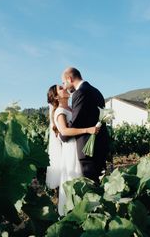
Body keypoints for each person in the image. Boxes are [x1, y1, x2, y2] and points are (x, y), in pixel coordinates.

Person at [46, 84, 99, 216]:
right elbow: (64, 131)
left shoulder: (70, 108)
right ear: (57, 96)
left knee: (82, 177)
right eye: (61, 88)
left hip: (78, 145)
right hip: (71, 149)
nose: (65, 88)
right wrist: (88, 130)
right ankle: (72, 212)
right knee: (75, 177)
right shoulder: (59, 111)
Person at [60, 67, 109, 183]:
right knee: (99, 183)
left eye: (64, 82)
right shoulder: (97, 91)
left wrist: (63, 135)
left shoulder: (80, 92)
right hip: (101, 144)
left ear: (69, 79)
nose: (65, 86)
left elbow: (76, 120)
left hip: (88, 148)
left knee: (91, 187)